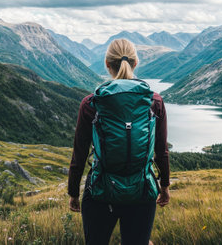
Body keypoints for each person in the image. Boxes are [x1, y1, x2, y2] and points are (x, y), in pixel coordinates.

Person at [68, 38, 170, 245]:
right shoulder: (154, 102)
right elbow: (161, 150)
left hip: (100, 191)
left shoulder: (92, 104)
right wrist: (165, 185)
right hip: (142, 190)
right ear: (135, 63)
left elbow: (79, 153)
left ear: (107, 64)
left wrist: (73, 193)